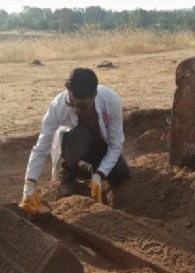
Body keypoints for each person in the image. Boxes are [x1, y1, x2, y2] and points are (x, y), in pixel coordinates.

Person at [20, 68, 130, 214]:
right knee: (79, 136)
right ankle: (70, 173)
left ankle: (88, 171)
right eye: (72, 103)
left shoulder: (111, 101)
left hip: (100, 147)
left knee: (121, 174)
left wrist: (100, 175)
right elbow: (42, 146)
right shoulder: (58, 105)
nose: (76, 109)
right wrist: (30, 184)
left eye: (82, 105)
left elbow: (115, 146)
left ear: (94, 95)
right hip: (76, 145)